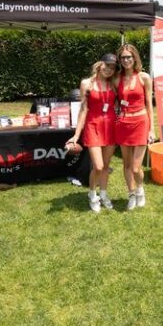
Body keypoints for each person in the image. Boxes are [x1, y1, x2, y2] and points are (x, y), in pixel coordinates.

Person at [67, 53, 118, 213]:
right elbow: (83, 110)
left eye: (112, 67)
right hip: (93, 126)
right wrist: (76, 135)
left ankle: (103, 194)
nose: (109, 70)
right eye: (107, 65)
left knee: (106, 166)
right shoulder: (86, 83)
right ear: (99, 64)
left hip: (110, 126)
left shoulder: (113, 84)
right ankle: (92, 194)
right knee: (98, 165)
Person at [114, 44, 155, 210]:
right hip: (123, 124)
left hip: (140, 123)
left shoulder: (144, 77)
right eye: (123, 57)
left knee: (136, 167)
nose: (126, 60)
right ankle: (131, 194)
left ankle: (140, 190)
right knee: (126, 165)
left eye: (128, 57)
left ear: (135, 58)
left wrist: (152, 129)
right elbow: (113, 99)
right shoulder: (117, 78)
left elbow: (149, 104)